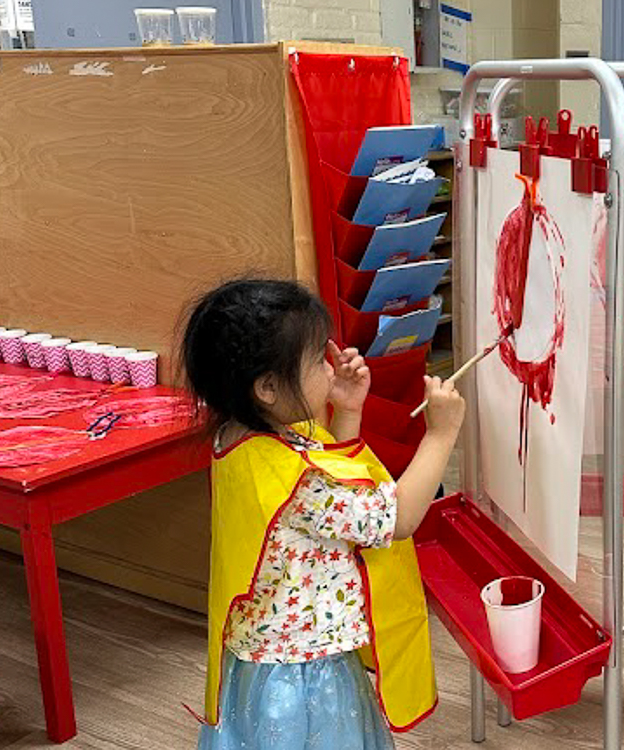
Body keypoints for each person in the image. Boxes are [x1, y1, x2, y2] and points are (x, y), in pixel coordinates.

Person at [180, 279, 464, 749]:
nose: (330, 369)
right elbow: (398, 519)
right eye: (317, 361)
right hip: (306, 675)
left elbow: (333, 475)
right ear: (267, 388)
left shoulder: (240, 437)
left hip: (261, 663)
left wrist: (347, 411)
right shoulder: (302, 483)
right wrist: (440, 435)